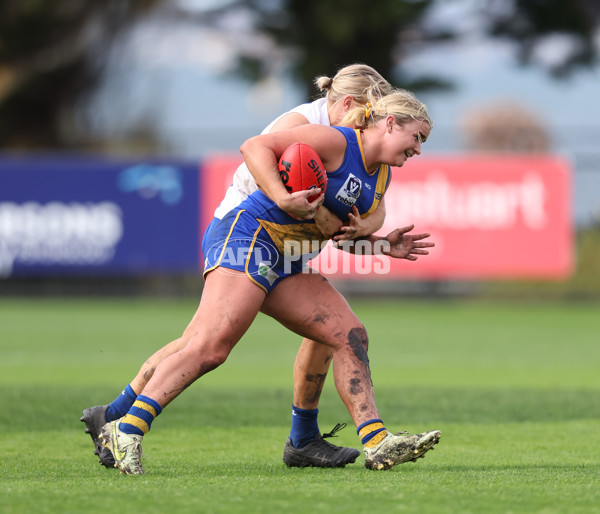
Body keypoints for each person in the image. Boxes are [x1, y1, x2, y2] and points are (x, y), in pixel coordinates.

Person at [96, 89, 441, 475]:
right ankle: (125, 429)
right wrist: (282, 196)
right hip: (249, 235)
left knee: (348, 334)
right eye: (417, 137)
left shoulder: (381, 178)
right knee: (211, 346)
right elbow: (254, 146)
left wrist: (379, 247)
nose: (419, 149)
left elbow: (339, 237)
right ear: (391, 123)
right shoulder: (335, 141)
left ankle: (377, 443)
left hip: (287, 256)